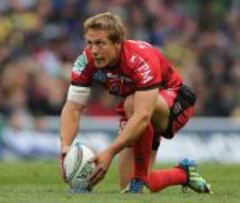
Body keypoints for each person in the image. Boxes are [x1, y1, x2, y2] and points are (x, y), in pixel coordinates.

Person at [58, 12, 211, 193]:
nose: (93, 50)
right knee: (127, 186)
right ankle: (184, 173)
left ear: (117, 43)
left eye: (100, 43)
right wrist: (65, 147)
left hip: (174, 102)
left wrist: (109, 152)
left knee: (131, 104)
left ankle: (139, 179)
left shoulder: (140, 58)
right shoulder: (85, 61)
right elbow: (73, 107)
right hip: (137, 109)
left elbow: (143, 114)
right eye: (89, 43)